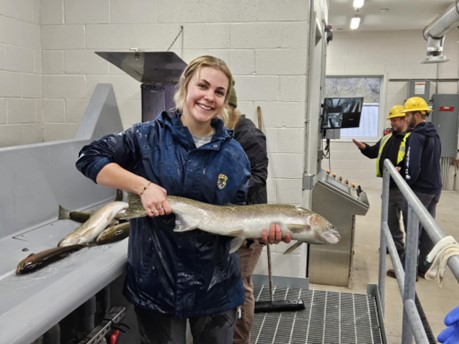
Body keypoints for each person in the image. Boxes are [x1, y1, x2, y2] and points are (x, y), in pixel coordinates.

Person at [75, 55, 290, 344]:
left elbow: (238, 215)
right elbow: (89, 158)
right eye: (203, 85)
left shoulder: (235, 155)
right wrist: (143, 186)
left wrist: (260, 233)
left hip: (216, 288)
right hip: (157, 284)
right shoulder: (147, 137)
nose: (209, 97)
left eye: (219, 92)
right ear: (186, 85)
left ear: (225, 100)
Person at [227, 85, 268, 344]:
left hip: (248, 224)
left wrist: (221, 187)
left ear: (228, 107)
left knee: (240, 284)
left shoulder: (249, 135)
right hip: (231, 221)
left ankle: (240, 341)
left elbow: (259, 177)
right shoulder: (224, 131)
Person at [352, 104, 409, 258]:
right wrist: (363, 147)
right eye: (391, 120)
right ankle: (395, 247)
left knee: (409, 221)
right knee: (390, 219)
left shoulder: (410, 138)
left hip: (404, 187)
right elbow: (373, 153)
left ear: (404, 119)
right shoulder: (388, 137)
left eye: (395, 120)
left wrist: (401, 170)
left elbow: (412, 162)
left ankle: (409, 254)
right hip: (388, 185)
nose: (392, 123)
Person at [402, 96, 442, 279]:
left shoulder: (416, 136)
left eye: (407, 115)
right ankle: (423, 267)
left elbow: (414, 166)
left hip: (420, 190)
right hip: (434, 188)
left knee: (413, 231)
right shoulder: (434, 134)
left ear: (417, 115)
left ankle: (408, 272)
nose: (405, 119)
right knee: (427, 230)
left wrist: (407, 184)